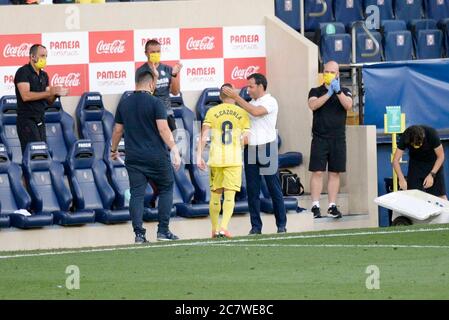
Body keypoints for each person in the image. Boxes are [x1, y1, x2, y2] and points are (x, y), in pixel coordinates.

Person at [111, 71, 182, 244]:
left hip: (133, 157)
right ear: (151, 84)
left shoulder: (124, 103)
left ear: (136, 83)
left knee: (137, 194)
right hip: (156, 156)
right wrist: (174, 149)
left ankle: (139, 235)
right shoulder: (155, 102)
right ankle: (163, 231)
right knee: (166, 187)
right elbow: (163, 129)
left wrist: (113, 149)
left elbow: (117, 130)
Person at [222, 73, 287, 235]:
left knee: (274, 188)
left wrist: (236, 97)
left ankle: (281, 225)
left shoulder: (271, 101)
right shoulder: (249, 103)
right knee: (252, 191)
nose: (248, 89)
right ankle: (256, 227)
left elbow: (256, 112)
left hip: (267, 148)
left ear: (260, 86)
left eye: (251, 86)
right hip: (250, 149)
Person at [196, 83, 251, 239]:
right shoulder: (242, 113)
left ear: (220, 97)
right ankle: (224, 228)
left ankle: (214, 229)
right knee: (229, 196)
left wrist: (199, 155)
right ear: (234, 95)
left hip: (216, 158)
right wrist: (238, 143)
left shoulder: (212, 111)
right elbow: (246, 139)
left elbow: (204, 135)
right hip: (233, 159)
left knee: (215, 195)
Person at [307, 60, 353, 219]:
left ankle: (332, 206)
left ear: (338, 74)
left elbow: (348, 105)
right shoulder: (315, 90)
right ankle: (315, 205)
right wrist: (328, 94)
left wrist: (338, 92)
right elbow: (313, 105)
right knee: (318, 172)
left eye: (332, 72)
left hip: (338, 138)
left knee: (335, 173)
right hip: (320, 137)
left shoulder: (345, 91)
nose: (329, 74)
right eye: (326, 71)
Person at [14, 44, 68, 153]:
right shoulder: (23, 72)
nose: (44, 59)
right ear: (32, 57)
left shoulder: (44, 75)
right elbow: (25, 96)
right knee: (33, 154)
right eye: (42, 55)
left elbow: (49, 100)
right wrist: (49, 92)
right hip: (26, 120)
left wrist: (56, 93)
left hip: (40, 119)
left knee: (43, 152)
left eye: (46, 56)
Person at [135, 39, 183, 131]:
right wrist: (154, 76)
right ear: (146, 53)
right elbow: (140, 95)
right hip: (149, 114)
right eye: (153, 52)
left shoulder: (167, 69)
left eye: (158, 51)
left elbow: (176, 92)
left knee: (171, 143)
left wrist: (174, 75)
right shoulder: (141, 71)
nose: (156, 54)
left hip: (167, 113)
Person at [393, 125, 447, 200]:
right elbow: (395, 160)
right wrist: (401, 179)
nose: (417, 146)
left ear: (423, 137)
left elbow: (441, 156)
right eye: (414, 145)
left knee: (440, 197)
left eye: (420, 144)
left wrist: (432, 175)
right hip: (416, 165)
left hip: (433, 163)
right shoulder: (405, 136)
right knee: (413, 196)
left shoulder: (432, 134)